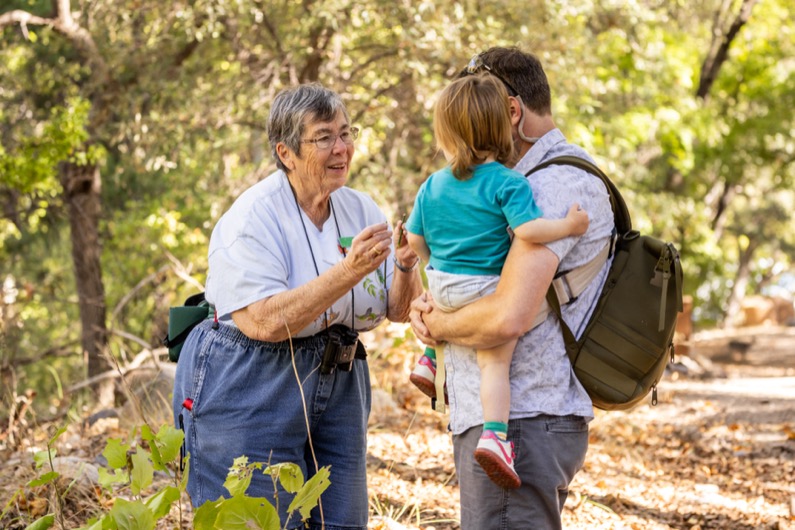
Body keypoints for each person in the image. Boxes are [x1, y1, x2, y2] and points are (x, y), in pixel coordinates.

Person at [172, 83, 422, 529]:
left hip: (341, 382)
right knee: (257, 519)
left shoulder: (360, 207)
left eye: (347, 133)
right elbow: (263, 321)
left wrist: (404, 266)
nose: (342, 148)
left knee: (342, 521)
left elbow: (398, 310)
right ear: (285, 152)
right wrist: (349, 271)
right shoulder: (252, 217)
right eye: (324, 137)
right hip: (253, 380)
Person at [409, 47, 615, 529]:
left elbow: (507, 317)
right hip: (514, 419)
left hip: (519, 421)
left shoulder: (550, 187)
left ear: (511, 111)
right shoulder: (517, 182)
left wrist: (437, 321)